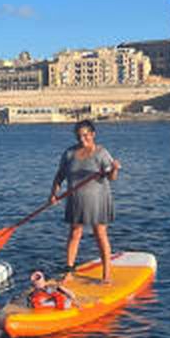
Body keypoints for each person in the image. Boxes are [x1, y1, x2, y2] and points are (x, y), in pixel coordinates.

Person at [49, 120, 121, 283]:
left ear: (93, 134)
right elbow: (60, 175)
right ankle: (68, 272)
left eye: (85, 135)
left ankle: (106, 274)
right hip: (75, 200)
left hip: (98, 200)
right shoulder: (69, 153)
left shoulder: (101, 152)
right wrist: (53, 194)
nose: (82, 139)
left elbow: (111, 178)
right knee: (74, 234)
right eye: (79, 135)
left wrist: (115, 168)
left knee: (100, 234)